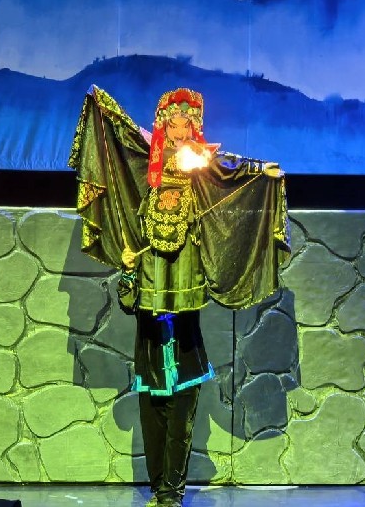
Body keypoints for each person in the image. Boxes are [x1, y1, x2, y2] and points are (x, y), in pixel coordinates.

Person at [68, 85, 289, 507]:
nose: (180, 129)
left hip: (184, 303)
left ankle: (172, 491)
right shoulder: (148, 160)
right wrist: (104, 108)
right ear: (164, 124)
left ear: (194, 126)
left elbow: (228, 167)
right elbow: (124, 136)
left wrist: (261, 170)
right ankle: (160, 489)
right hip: (150, 304)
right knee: (153, 406)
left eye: (187, 123)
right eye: (173, 123)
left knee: (182, 404)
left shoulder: (197, 159)